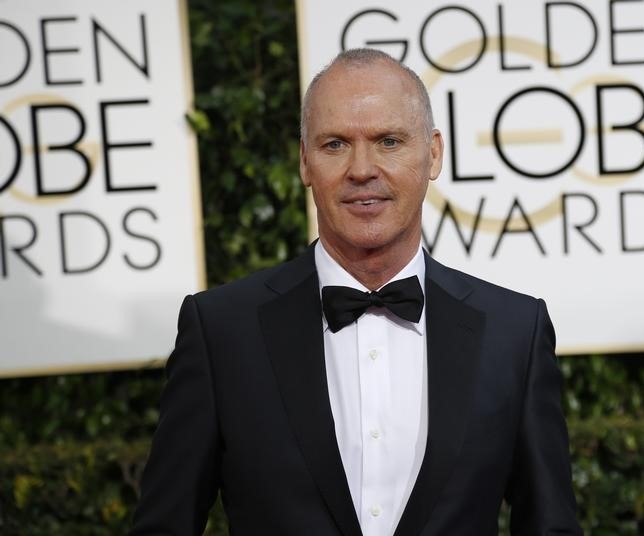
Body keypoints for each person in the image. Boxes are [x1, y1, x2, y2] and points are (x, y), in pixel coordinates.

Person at [131, 48, 582, 536]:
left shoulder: (513, 332)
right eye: (335, 145)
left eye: (388, 141)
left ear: (433, 154)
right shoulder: (222, 332)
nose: (362, 169)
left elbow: (550, 526)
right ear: (305, 161)